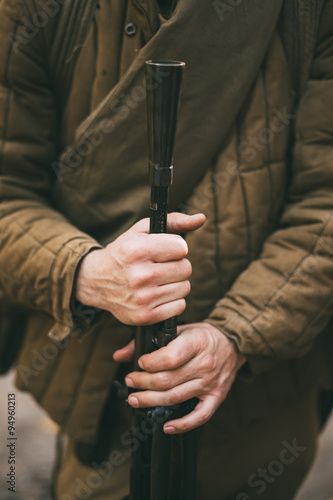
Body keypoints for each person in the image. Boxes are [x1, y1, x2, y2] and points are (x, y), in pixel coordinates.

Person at [0, 0, 332, 499]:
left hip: (261, 404)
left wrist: (238, 334)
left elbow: (325, 200)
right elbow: (9, 191)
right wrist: (84, 271)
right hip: (100, 392)